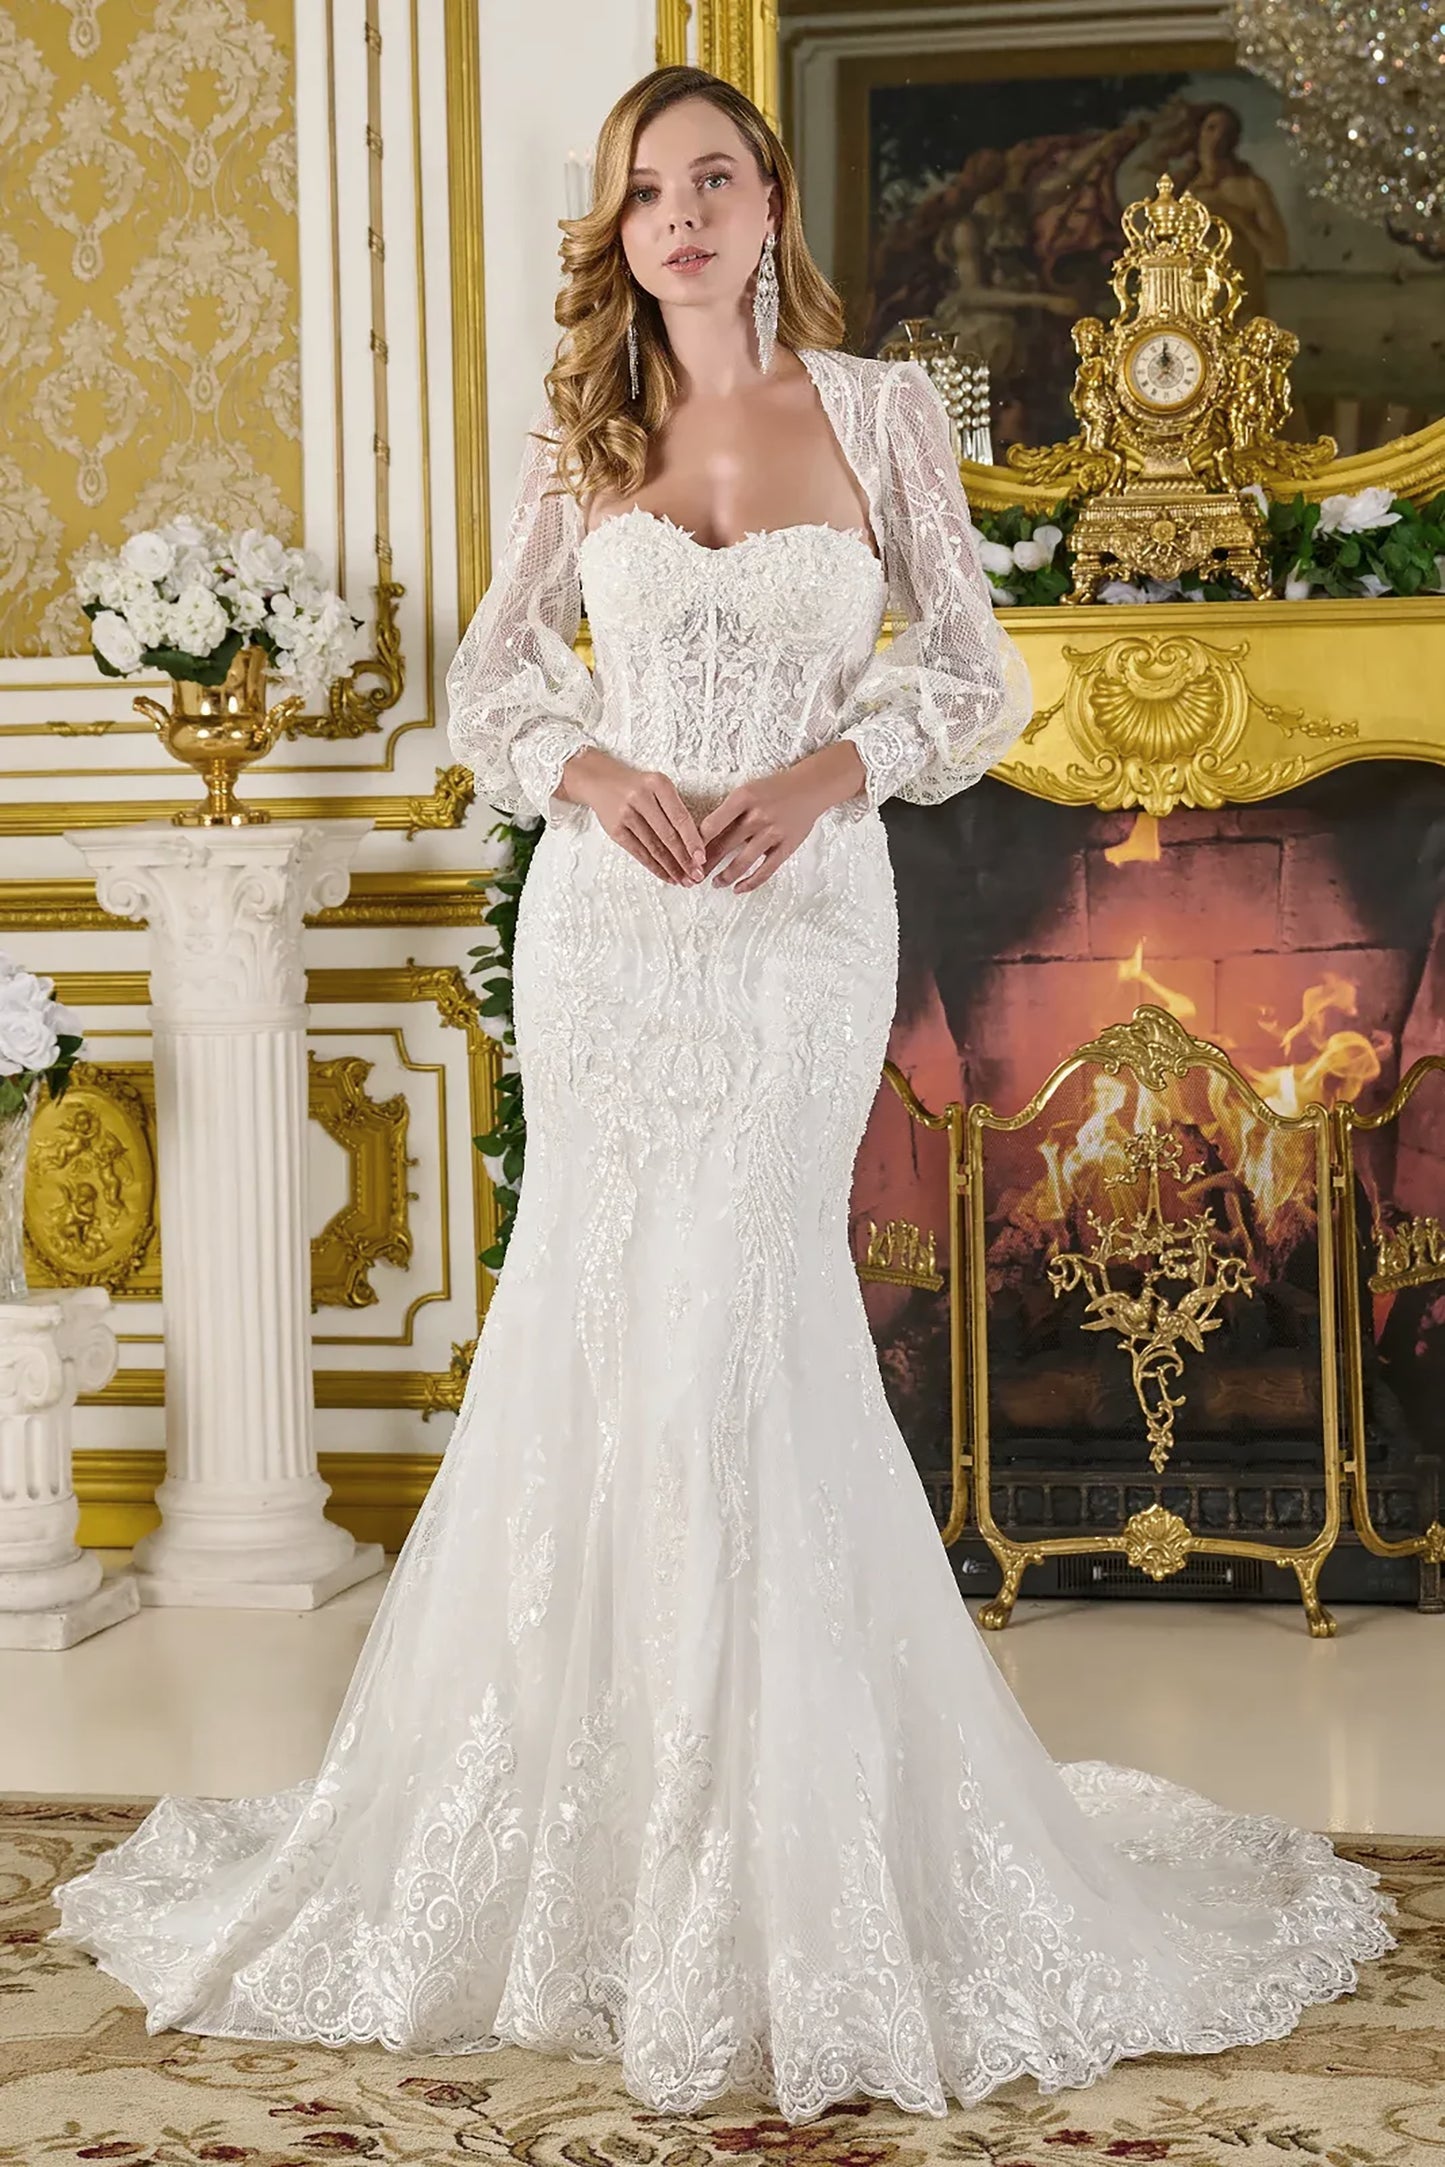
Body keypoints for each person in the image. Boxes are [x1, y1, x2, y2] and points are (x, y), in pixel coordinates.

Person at [46, 63, 1395, 2129]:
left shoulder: (881, 417)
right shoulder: (577, 433)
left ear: (770, 204)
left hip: (791, 931)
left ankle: (770, 1847)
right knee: (601, 1335)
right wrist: (588, 769)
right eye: (643, 194)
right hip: (610, 940)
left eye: (711, 180)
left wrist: (821, 769)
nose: (679, 218)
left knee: (742, 1342)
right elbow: (493, 677)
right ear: (621, 235)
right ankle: (599, 1833)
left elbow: (977, 671)